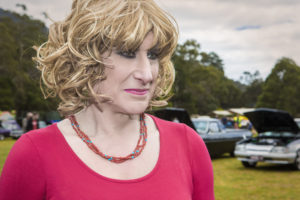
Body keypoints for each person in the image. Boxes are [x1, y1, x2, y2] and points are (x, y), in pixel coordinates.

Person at [0, 0, 214, 199]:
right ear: (86, 59)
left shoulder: (187, 144)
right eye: (127, 53)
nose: (147, 74)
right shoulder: (34, 153)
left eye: (153, 55)